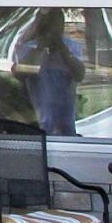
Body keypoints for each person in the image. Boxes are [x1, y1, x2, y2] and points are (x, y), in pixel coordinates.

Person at [23, 8, 83, 136]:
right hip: (39, 108)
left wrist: (62, 50)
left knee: (67, 133)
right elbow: (19, 73)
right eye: (48, 26)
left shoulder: (71, 46)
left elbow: (79, 74)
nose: (52, 31)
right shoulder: (29, 46)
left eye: (56, 26)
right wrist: (40, 47)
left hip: (66, 108)